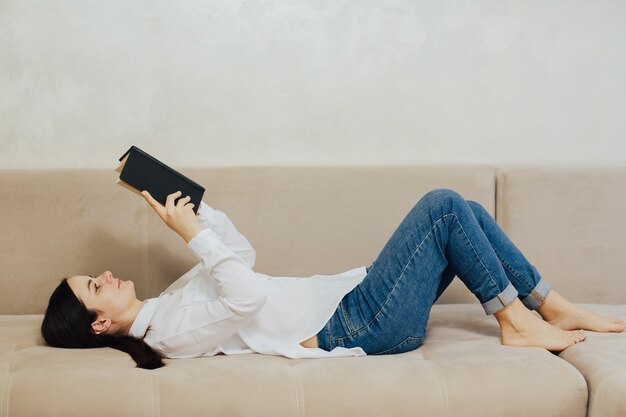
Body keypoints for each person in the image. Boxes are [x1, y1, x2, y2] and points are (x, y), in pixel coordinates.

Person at [41, 188, 625, 369]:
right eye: (96, 285)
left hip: (359, 299)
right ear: (99, 322)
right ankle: (515, 320)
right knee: (443, 206)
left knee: (462, 209)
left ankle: (550, 304)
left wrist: (197, 216)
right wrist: (191, 239)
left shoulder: (166, 302)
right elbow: (245, 298)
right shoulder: (167, 332)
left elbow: (239, 258)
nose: (108, 275)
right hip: (361, 324)